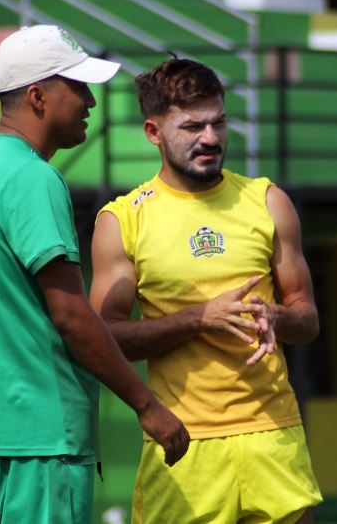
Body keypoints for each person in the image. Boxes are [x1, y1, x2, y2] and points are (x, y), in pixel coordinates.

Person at [0, 25, 189, 523]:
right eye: (77, 87)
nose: (90, 101)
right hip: (45, 439)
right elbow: (72, 316)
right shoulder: (32, 178)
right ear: (37, 96)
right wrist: (147, 406)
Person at [90, 58, 323, 523]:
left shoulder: (268, 201)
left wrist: (277, 316)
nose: (211, 139)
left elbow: (309, 319)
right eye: (193, 126)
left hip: (273, 433)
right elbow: (102, 337)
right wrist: (198, 319)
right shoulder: (123, 220)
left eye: (218, 122)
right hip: (183, 441)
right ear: (153, 132)